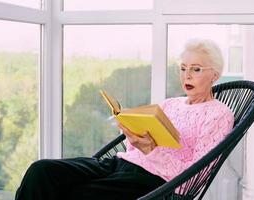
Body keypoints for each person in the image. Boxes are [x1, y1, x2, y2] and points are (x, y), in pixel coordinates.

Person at [15, 39, 234, 200]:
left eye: (196, 69)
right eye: (183, 68)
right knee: (41, 171)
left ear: (214, 75)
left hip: (156, 181)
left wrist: (152, 151)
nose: (186, 75)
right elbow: (134, 148)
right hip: (121, 163)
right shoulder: (170, 104)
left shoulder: (219, 114)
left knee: (78, 194)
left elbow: (194, 176)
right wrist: (132, 133)